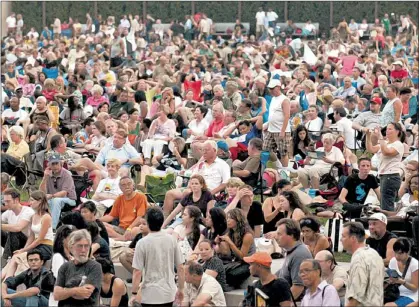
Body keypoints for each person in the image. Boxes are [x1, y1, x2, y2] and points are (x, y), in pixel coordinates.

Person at [131, 207, 185, 307]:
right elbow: (181, 267)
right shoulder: (171, 240)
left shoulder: (142, 243)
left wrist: (134, 293)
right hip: (169, 293)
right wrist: (181, 289)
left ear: (147, 222)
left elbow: (137, 271)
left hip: (149, 295)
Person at [2, 190, 53, 280]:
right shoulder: (34, 216)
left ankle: (6, 283)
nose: (30, 202)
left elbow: (40, 239)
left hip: (46, 246)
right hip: (36, 245)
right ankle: (5, 282)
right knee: (15, 256)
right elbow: (31, 237)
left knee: (19, 258)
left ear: (40, 201)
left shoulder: (46, 217)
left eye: (32, 200)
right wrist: (23, 250)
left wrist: (25, 250)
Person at [53, 229, 103, 307]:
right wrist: (76, 290)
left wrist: (65, 291)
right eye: (80, 246)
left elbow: (85, 294)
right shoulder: (65, 267)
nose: (83, 250)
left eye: (86, 246)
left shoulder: (95, 266)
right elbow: (56, 295)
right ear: (71, 247)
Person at [341, 221, 384, 306]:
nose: (340, 239)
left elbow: (355, 298)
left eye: (343, 236)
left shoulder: (359, 260)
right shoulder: (374, 253)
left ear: (353, 238)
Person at [366, 122, 405, 211]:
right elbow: (370, 149)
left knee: (386, 205)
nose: (387, 131)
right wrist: (368, 136)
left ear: (397, 132)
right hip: (385, 176)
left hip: (391, 176)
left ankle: (388, 223)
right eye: (387, 129)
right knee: (385, 203)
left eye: (390, 129)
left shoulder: (398, 144)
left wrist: (380, 136)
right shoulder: (385, 143)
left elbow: (386, 152)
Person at [215, 208, 255, 289]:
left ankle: (229, 285)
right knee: (217, 269)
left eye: (230, 218)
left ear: (238, 219)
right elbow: (226, 253)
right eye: (227, 218)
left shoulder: (247, 235)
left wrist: (230, 242)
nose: (228, 220)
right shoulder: (230, 233)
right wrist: (218, 243)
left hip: (247, 263)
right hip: (235, 262)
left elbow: (243, 257)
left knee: (233, 274)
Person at [99, 176, 148, 241]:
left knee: (136, 230)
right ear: (120, 188)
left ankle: (119, 238)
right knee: (101, 225)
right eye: (123, 185)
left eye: (129, 184)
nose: (127, 186)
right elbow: (111, 216)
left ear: (133, 185)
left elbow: (140, 217)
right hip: (121, 228)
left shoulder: (141, 197)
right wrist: (96, 220)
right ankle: (121, 238)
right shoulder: (119, 199)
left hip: (133, 228)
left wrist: (129, 228)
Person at [276, 218, 313, 300]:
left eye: (279, 234)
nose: (276, 237)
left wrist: (280, 304)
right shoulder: (291, 250)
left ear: (291, 235)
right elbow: (283, 272)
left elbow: (298, 288)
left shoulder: (299, 254)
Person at [39, 154, 77, 230]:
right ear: (49, 165)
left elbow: (64, 193)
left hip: (69, 199)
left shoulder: (67, 174)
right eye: (53, 164)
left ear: (61, 164)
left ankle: (52, 227)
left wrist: (51, 196)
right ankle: (37, 225)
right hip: (52, 198)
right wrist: (45, 178)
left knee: (56, 201)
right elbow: (41, 192)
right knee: (37, 200)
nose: (55, 166)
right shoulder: (48, 174)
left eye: (57, 163)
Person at [263, 78, 291, 167]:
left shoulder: (284, 99)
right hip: (271, 129)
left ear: (278, 87)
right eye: (270, 89)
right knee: (266, 150)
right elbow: (272, 115)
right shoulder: (273, 99)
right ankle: (274, 167)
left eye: (272, 88)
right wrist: (267, 124)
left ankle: (285, 171)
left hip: (281, 130)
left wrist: (282, 131)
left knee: (283, 152)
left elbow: (287, 115)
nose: (270, 90)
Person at [1, 189, 35, 261]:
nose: (5, 204)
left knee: (14, 231)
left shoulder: (28, 211)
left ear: (16, 200)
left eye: (8, 201)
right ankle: (7, 258)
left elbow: (18, 227)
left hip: (27, 244)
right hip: (13, 242)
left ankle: (6, 259)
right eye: (4, 201)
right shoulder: (9, 212)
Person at [386, 238, 418, 307]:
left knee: (388, 306)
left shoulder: (415, 264)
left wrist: (403, 282)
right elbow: (390, 278)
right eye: (395, 252)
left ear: (407, 252)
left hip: (411, 295)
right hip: (396, 293)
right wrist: (390, 281)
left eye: (400, 253)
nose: (397, 256)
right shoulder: (393, 261)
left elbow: (415, 288)